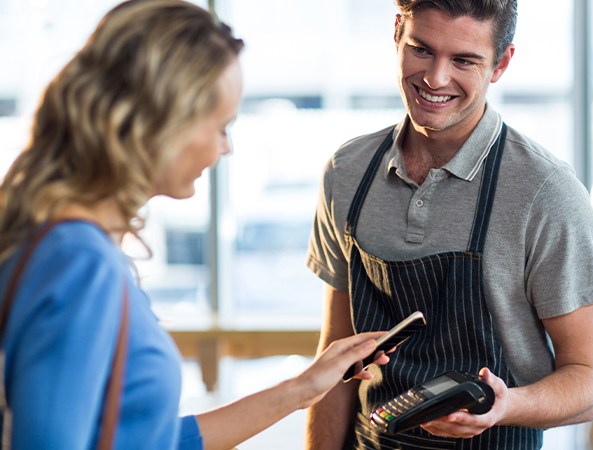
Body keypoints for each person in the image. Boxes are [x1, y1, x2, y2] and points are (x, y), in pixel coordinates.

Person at [0, 1, 390, 449]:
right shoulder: (79, 263)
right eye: (221, 126)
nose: (226, 148)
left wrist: (300, 390)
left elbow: (148, 440)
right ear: (162, 123)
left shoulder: (60, 241)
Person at [305, 0, 593, 448]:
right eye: (422, 50)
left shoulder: (545, 192)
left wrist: (507, 406)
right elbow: (335, 357)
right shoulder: (347, 171)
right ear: (397, 34)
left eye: (464, 60)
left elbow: (590, 382)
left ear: (500, 64)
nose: (435, 78)